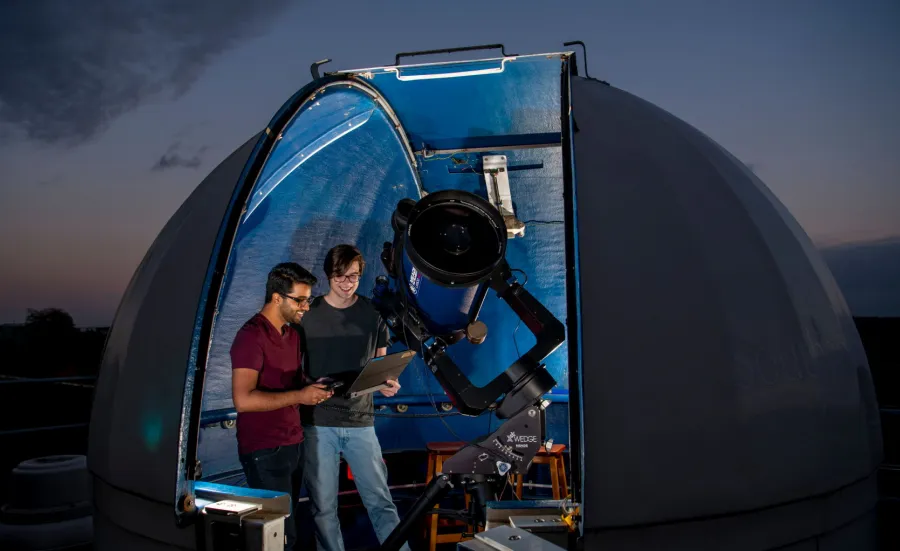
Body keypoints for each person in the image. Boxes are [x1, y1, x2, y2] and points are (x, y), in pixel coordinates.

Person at [300, 244, 409, 551]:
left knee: (381, 502)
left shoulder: (372, 313)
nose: (347, 283)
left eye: (354, 276)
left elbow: (381, 366)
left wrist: (388, 384)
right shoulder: (308, 315)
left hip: (361, 422)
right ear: (328, 274)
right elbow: (294, 368)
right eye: (340, 276)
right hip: (318, 424)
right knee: (323, 508)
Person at [231, 262, 334, 551]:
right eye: (300, 300)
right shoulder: (250, 336)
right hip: (264, 450)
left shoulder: (293, 334)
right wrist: (301, 396)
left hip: (293, 443)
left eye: (308, 299)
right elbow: (244, 399)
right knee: (278, 540)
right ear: (277, 297)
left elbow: (293, 381)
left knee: (291, 534)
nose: (306, 307)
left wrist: (316, 385)